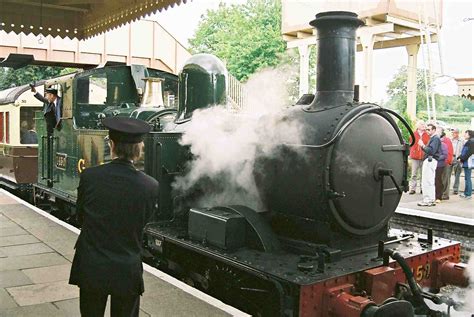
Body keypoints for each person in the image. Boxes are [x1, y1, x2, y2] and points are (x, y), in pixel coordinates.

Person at [69, 117, 158, 317]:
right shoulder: (150, 186)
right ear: (139, 149)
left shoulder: (90, 176)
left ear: (112, 145)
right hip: (126, 268)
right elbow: (143, 222)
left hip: (92, 264)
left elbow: (80, 217)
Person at [418, 123, 441, 207]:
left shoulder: (435, 138)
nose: (427, 131)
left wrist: (422, 145)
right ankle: (430, 199)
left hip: (430, 160)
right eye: (426, 129)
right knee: (429, 181)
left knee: (427, 181)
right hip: (430, 160)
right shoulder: (434, 138)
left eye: (429, 129)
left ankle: (428, 199)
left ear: (434, 130)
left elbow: (431, 151)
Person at [409, 121, 430, 194]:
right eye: (421, 124)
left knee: (423, 174)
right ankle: (413, 188)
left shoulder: (427, 134)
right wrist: (412, 152)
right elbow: (411, 144)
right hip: (415, 157)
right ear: (418, 126)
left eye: (424, 124)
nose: (423, 125)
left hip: (424, 157)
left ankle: (422, 188)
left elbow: (428, 144)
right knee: (414, 174)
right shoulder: (413, 134)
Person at [457, 129, 474, 199]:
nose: (464, 135)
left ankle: (468, 193)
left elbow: (468, 153)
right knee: (467, 178)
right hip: (467, 161)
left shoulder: (471, 142)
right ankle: (466, 192)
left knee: (468, 178)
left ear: (469, 135)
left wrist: (462, 158)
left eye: (466, 134)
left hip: (468, 162)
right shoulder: (470, 141)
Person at [434, 128, 448, 203]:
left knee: (438, 180)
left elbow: (445, 155)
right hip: (433, 165)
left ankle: (438, 196)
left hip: (439, 165)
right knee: (434, 180)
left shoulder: (443, 145)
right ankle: (434, 195)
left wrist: (436, 158)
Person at [440, 129, 454, 200]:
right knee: (442, 179)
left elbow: (449, 152)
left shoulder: (446, 140)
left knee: (445, 179)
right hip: (442, 162)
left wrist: (447, 161)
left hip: (445, 162)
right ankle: (443, 193)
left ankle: (445, 194)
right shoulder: (443, 140)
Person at [451, 128, 464, 194]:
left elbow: (464, 150)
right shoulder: (450, 140)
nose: (453, 134)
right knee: (447, 174)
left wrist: (461, 158)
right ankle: (446, 188)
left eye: (454, 132)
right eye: (452, 132)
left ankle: (455, 189)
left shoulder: (461, 141)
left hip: (457, 158)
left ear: (457, 133)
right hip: (450, 158)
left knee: (457, 175)